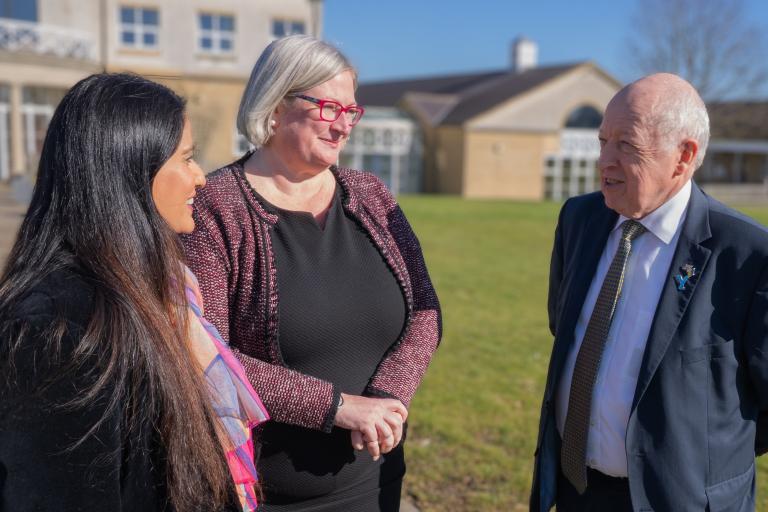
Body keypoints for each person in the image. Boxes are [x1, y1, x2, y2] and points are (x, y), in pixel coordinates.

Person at [181, 35, 442, 511]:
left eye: (352, 112)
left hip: (377, 481)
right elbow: (207, 358)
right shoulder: (216, 208)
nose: (344, 126)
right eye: (329, 108)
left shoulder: (371, 196)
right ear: (276, 105)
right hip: (269, 494)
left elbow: (426, 314)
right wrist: (338, 408)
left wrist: (386, 401)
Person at [0, 73, 268, 511]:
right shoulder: (56, 330)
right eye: (186, 159)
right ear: (129, 170)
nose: (200, 178)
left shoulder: (158, 289)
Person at [530, 72, 768, 512]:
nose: (605, 160)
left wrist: (695, 464)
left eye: (627, 145)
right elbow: (562, 326)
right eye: (603, 141)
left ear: (683, 156)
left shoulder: (748, 254)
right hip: (576, 490)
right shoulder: (579, 219)